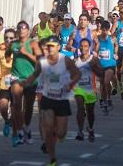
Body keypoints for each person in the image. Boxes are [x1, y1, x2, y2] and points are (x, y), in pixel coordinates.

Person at [21, 35, 81, 166]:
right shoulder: (42, 61)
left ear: (58, 47)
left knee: (60, 132)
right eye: (48, 46)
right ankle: (53, 159)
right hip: (47, 98)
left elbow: (77, 73)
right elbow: (34, 75)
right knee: (48, 129)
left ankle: (57, 136)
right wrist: (25, 83)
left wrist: (71, 83)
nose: (50, 48)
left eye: (52, 46)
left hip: (62, 99)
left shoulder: (65, 60)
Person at [10, 20, 43, 146]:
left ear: (28, 30)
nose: (21, 30)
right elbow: (6, 56)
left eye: (24, 28)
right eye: (19, 28)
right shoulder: (13, 44)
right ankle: (19, 130)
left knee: (28, 107)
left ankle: (27, 128)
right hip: (16, 78)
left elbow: (40, 61)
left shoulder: (33, 44)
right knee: (17, 104)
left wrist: (26, 53)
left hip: (31, 79)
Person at [74, 38, 103, 142]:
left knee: (90, 112)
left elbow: (101, 74)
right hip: (79, 89)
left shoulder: (93, 59)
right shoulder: (76, 60)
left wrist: (94, 67)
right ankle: (80, 131)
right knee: (80, 107)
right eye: (81, 46)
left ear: (89, 47)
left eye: (85, 46)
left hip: (90, 88)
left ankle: (90, 128)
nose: (83, 48)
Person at [0, 28, 16, 136]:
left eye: (11, 38)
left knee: (15, 107)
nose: (8, 40)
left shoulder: (19, 51)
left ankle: (12, 123)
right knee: (3, 106)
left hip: (17, 84)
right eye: (6, 38)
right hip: (4, 83)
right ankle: (7, 121)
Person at [96, 21, 118, 114]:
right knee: (102, 83)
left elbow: (116, 45)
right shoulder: (97, 39)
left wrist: (115, 53)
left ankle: (108, 98)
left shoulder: (112, 38)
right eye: (103, 30)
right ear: (101, 30)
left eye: (106, 30)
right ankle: (105, 100)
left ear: (109, 30)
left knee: (106, 81)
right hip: (100, 64)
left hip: (110, 64)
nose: (104, 32)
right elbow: (95, 50)